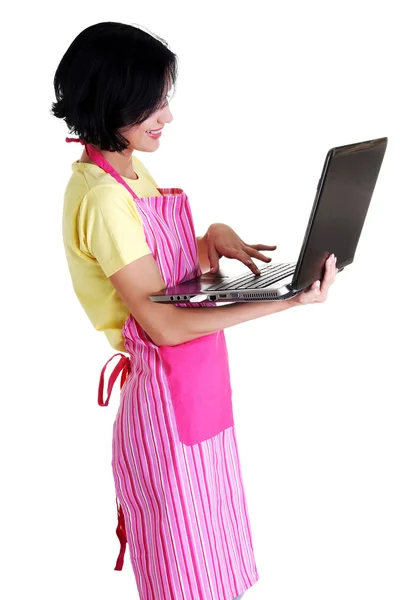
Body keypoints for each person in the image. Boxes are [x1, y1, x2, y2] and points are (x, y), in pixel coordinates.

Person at [51, 21, 338, 600]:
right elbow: (163, 324)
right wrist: (284, 301)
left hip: (199, 395)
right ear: (114, 101)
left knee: (213, 568)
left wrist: (209, 240)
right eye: (153, 103)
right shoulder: (104, 198)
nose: (167, 116)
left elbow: (174, 285)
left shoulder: (131, 170)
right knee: (183, 579)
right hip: (163, 404)